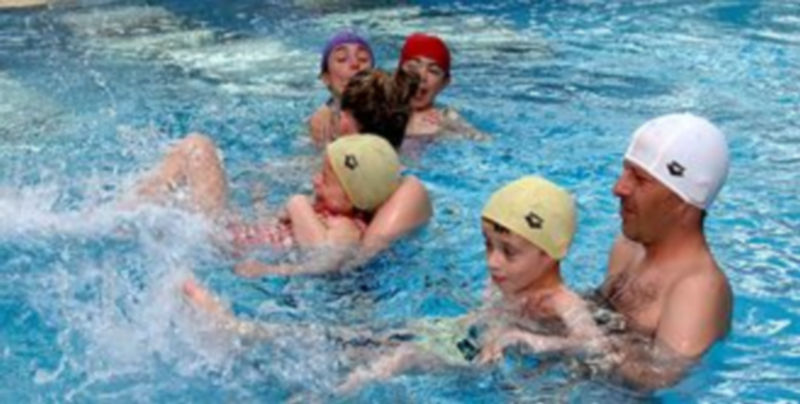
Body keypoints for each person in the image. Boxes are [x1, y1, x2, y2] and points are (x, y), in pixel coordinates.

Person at [135, 133, 430, 275]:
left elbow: (325, 260)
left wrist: (269, 271)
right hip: (226, 232)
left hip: (220, 243)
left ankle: (117, 216)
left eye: (326, 179)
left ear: (355, 194)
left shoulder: (346, 227)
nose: (315, 181)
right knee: (196, 147)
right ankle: (120, 211)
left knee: (197, 150)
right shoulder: (327, 212)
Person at [597, 113, 732, 390]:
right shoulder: (627, 246)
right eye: (624, 172)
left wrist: (583, 335)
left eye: (640, 179)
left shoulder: (698, 289)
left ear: (683, 201)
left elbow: (659, 379)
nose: (618, 188)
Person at [397, 33, 486, 145]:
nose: (422, 75)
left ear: (444, 82)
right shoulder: (380, 107)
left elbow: (485, 141)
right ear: (397, 73)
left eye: (433, 71)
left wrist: (445, 132)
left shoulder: (447, 118)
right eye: (413, 66)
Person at [309, 30, 374, 146]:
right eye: (342, 59)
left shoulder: (390, 112)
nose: (354, 63)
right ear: (326, 78)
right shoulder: (321, 122)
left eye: (362, 59)